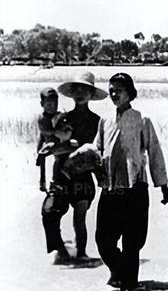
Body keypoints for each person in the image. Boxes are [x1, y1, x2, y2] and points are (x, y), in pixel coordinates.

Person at [77, 72, 168, 291]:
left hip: (135, 189)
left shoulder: (141, 119)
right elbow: (96, 151)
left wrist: (163, 185)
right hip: (110, 189)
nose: (113, 93)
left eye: (118, 90)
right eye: (111, 89)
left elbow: (154, 152)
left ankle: (129, 284)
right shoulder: (104, 121)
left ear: (130, 94)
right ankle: (124, 275)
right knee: (104, 242)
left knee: (132, 244)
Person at [41, 71, 107, 263]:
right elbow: (51, 146)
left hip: (84, 176)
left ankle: (81, 254)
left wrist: (102, 176)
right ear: (71, 93)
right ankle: (61, 252)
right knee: (50, 213)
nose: (80, 93)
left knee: (80, 218)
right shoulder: (62, 119)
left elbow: (99, 150)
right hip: (61, 173)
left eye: (85, 89)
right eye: (76, 89)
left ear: (91, 95)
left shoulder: (98, 121)